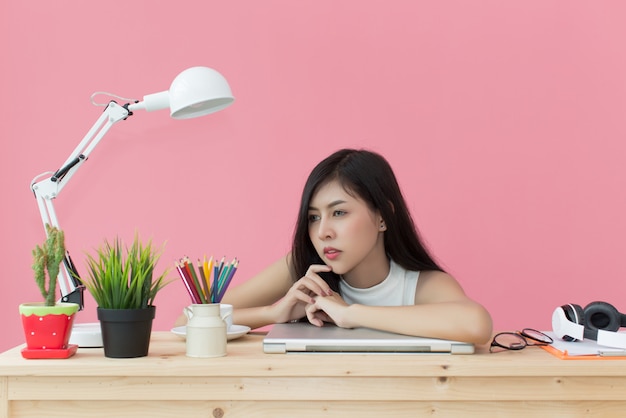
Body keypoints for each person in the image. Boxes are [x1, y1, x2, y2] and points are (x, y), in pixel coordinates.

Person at [222, 148, 492, 344]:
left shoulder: (420, 284)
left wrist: (350, 314)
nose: (323, 232)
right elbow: (187, 323)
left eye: (339, 213)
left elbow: (476, 323)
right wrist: (273, 313)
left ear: (383, 216)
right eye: (314, 217)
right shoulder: (303, 269)